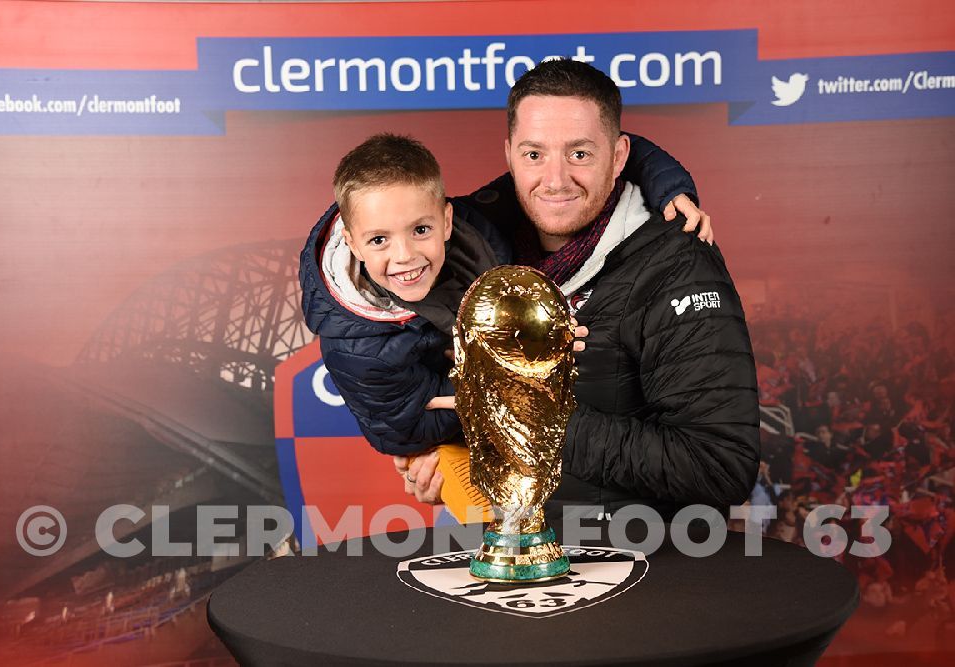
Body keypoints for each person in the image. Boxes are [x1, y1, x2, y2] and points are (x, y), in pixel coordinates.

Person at [399, 59, 759, 518]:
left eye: (580, 154)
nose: (555, 180)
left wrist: (538, 420)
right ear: (509, 155)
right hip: (505, 545)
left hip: (640, 553)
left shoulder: (678, 263)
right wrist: (447, 463)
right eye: (534, 155)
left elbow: (720, 466)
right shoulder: (473, 249)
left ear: (620, 156)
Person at [301, 129, 711, 500]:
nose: (404, 255)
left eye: (420, 230)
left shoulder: (479, 227)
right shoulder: (358, 348)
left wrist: (670, 190)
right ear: (352, 243)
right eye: (379, 240)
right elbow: (406, 431)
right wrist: (518, 362)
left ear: (446, 221)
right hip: (479, 453)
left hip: (567, 458)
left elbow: (615, 150)